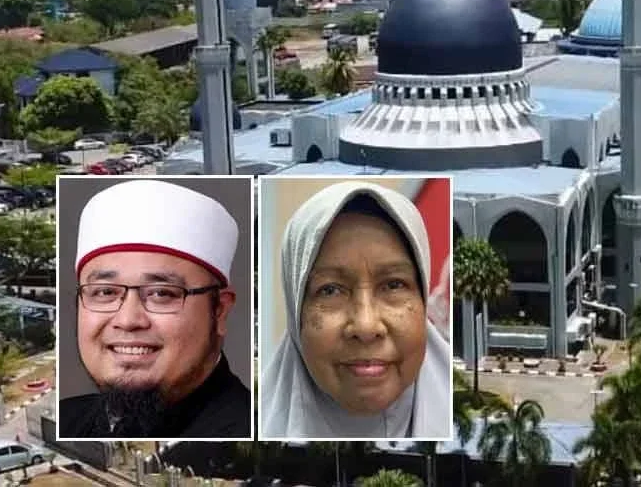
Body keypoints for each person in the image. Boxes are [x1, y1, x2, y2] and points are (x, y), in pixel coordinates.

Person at [58, 179, 251, 439]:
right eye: (105, 292)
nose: (128, 320)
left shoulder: (246, 431)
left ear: (219, 311)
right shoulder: (68, 418)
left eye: (161, 294)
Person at [261, 180, 452, 439]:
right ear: (297, 316)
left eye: (394, 285)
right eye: (330, 290)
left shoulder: (469, 418)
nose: (365, 326)